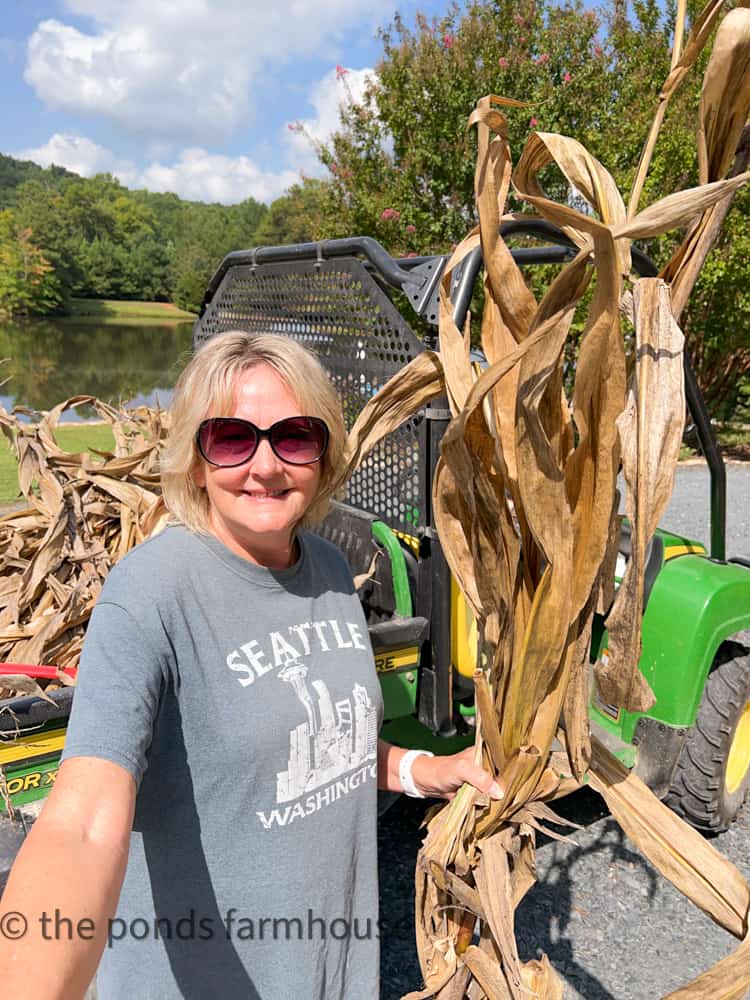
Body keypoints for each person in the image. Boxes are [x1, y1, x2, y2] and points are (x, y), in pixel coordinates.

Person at [0, 331, 502, 999]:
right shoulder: (151, 593)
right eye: (233, 439)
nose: (266, 466)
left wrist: (426, 770)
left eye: (294, 437)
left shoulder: (325, 569)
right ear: (195, 458)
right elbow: (83, 823)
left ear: (324, 457)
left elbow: (324, 741)